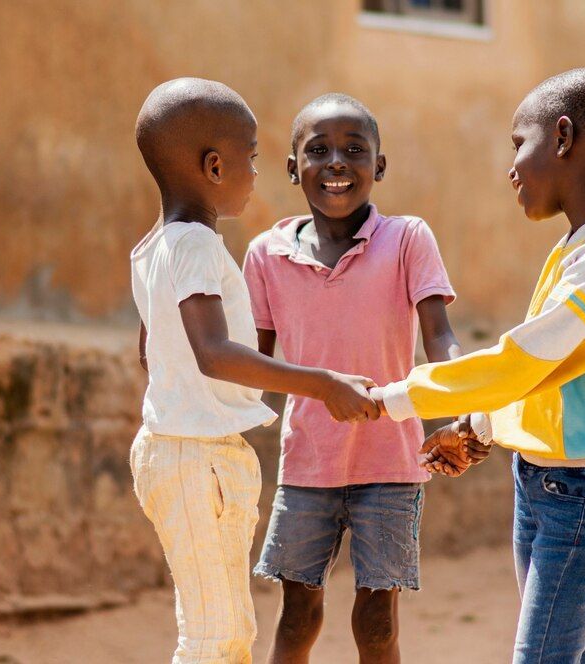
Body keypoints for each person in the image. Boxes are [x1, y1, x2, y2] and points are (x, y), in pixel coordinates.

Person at [374, 69, 585, 663]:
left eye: (519, 144)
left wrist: (395, 398)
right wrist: (480, 429)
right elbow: (547, 374)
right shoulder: (579, 249)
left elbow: (517, 362)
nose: (511, 167)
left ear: (562, 137)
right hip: (543, 480)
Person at [128, 79, 379, 664]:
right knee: (217, 640)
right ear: (214, 166)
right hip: (196, 460)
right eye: (251, 156)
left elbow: (153, 347)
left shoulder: (156, 247)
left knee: (223, 628)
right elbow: (212, 352)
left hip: (186, 452)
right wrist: (322, 383)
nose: (257, 172)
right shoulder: (193, 246)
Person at [244, 93, 486, 664]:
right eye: (318, 150)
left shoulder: (406, 239)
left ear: (379, 166)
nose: (336, 163)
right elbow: (254, 362)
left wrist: (464, 399)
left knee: (377, 623)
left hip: (390, 460)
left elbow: (438, 334)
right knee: (297, 615)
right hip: (308, 460)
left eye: (355, 150)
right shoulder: (265, 254)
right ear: (291, 168)